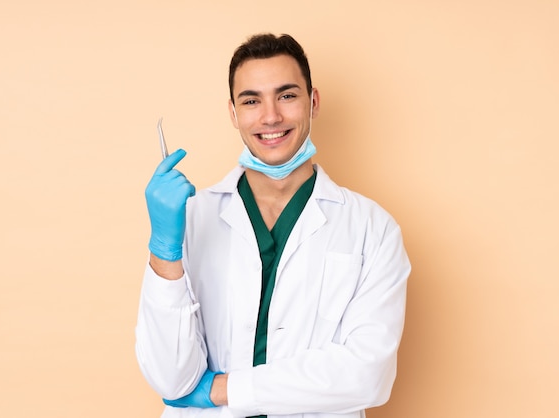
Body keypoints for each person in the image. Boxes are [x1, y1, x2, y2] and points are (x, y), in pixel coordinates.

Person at [136, 33, 410, 418]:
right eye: (251, 101)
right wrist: (164, 248)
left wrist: (225, 389)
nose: (270, 117)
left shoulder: (372, 228)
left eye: (286, 95)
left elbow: (368, 375)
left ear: (313, 102)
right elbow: (170, 378)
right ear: (233, 113)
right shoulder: (191, 218)